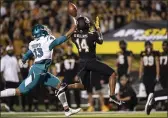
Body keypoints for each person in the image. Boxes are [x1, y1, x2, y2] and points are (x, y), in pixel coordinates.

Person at [0, 23, 81, 117]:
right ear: (41, 32)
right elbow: (64, 37)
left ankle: (67, 110)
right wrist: (74, 27)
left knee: (59, 85)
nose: (46, 30)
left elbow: (29, 53)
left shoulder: (33, 43)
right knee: (19, 91)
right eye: (44, 29)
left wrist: (24, 59)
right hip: (37, 72)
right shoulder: (47, 40)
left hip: (42, 71)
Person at [68, 16, 123, 105]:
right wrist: (98, 29)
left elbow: (72, 34)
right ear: (86, 24)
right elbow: (101, 41)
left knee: (83, 86)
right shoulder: (92, 34)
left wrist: (74, 26)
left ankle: (64, 87)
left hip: (82, 63)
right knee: (112, 74)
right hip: (91, 61)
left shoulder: (74, 35)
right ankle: (112, 96)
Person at [0, 45, 22, 111]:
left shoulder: (14, 58)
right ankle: (8, 107)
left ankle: (11, 107)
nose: (10, 51)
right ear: (7, 51)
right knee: (8, 94)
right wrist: (2, 78)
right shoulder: (3, 59)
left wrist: (20, 78)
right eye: (9, 50)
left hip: (15, 79)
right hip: (7, 79)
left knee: (14, 95)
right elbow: (1, 70)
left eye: (11, 50)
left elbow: (18, 70)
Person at [62, 43, 81, 108]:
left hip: (74, 75)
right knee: (66, 92)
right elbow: (61, 67)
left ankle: (78, 105)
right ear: (66, 48)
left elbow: (78, 67)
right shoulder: (63, 56)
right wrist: (61, 76)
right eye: (68, 47)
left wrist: (77, 75)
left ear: (72, 48)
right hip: (66, 76)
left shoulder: (75, 56)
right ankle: (68, 106)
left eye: (70, 47)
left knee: (76, 91)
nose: (69, 48)